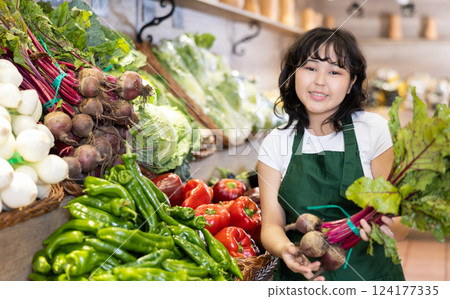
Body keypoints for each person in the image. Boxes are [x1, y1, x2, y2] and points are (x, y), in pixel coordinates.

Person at [257, 27, 407, 281]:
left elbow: (400, 220)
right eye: (310, 68)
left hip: (369, 278)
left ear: (351, 83)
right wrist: (286, 250)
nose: (320, 81)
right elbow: (271, 225)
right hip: (302, 280)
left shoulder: (373, 130)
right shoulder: (276, 142)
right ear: (294, 74)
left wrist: (388, 227)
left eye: (335, 72)